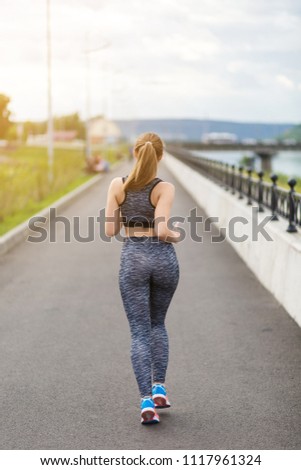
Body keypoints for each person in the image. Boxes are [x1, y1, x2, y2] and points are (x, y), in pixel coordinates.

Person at [105, 132, 181, 425]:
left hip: (133, 259)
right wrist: (178, 235)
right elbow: (163, 231)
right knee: (158, 324)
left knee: (139, 332)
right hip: (163, 259)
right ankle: (160, 387)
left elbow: (110, 231)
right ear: (160, 157)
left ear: (135, 154)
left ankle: (146, 401)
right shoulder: (164, 188)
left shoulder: (117, 185)